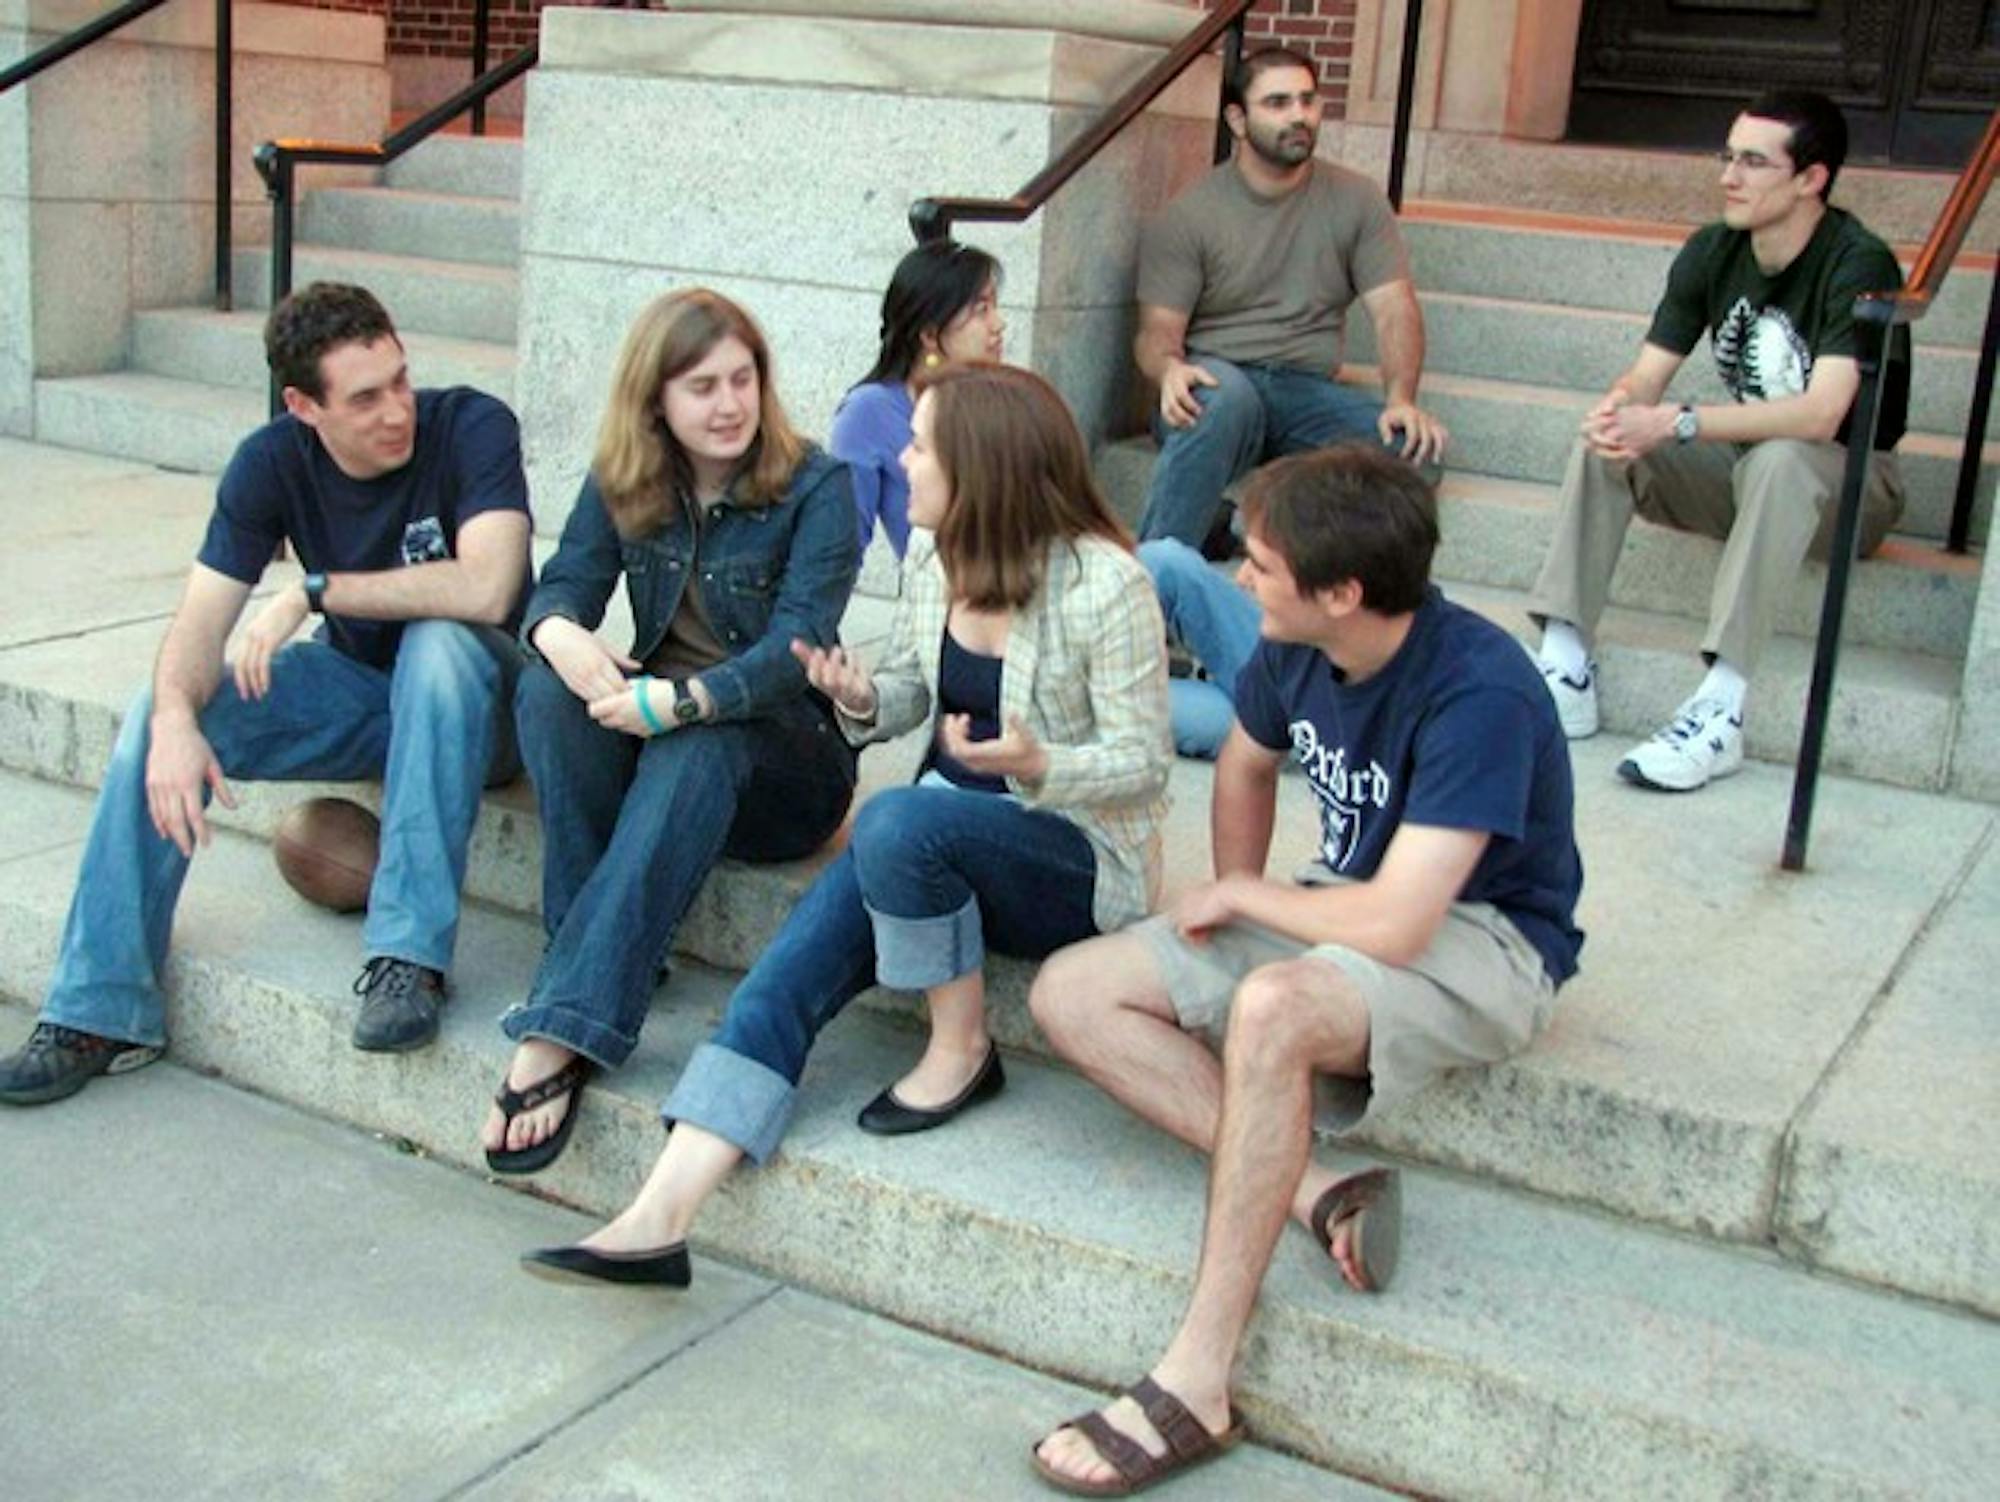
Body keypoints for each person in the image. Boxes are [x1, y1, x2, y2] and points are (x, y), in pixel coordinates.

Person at [512, 363, 1172, 1288]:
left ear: (978, 466)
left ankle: (964, 1047)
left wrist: (1039, 763)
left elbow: (1146, 761)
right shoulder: (937, 559)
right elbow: (907, 687)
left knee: (898, 823)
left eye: (919, 446)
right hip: (930, 838)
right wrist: (860, 697)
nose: (902, 461)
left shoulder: (1106, 585)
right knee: (790, 967)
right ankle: (657, 1216)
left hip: (1068, 850)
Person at [1025, 445, 1582, 1496]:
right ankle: (1315, 1187)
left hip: (1488, 938)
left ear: (1343, 591)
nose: (1241, 576)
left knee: (1274, 1009)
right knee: (1072, 988)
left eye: (1263, 565)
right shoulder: (1295, 644)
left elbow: (1407, 919)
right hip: (1340, 898)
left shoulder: (1481, 689)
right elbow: (1244, 760)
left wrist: (1246, 907)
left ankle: (1196, 1380)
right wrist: (1227, 919)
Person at [0, 282, 533, 1105]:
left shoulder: (471, 424)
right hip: (365, 697)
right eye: (365, 398)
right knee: (162, 712)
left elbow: (491, 588)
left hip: (489, 709)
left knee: (437, 642)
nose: (397, 410)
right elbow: (201, 620)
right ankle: (102, 1009)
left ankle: (407, 962)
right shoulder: (270, 461)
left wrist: (314, 592)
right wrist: (177, 719)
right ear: (302, 406)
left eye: (399, 380)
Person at [480, 288, 859, 1176]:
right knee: (546, 693)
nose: (729, 404)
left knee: (706, 730)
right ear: (656, 400)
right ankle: (595, 960)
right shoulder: (626, 475)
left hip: (786, 767)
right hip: (668, 735)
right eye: (702, 387)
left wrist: (681, 703)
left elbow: (791, 653)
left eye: (743, 380)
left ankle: (563, 1021)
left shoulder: (817, 485)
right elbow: (564, 583)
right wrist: (559, 634)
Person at [1526, 90, 1910, 792]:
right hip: (1745, 473)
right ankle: (1565, 662)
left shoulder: (1858, 263)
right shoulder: (1713, 249)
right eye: (1727, 156)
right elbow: (1646, 376)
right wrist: (1616, 410)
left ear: (1811, 178)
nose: (1729, 176)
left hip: (1852, 488)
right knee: (1610, 439)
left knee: (1784, 459)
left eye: (1754, 162)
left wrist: (1677, 421)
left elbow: (1822, 414)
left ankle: (1721, 709)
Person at [1131, 44, 1447, 758]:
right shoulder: (1194, 213)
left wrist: (1401, 397)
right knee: (1220, 397)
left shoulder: (1355, 199)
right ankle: (1143, 605)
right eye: (1278, 103)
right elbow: (1155, 332)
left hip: (1307, 391)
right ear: (1238, 119)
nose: (1299, 115)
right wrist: (1170, 371)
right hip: (1218, 381)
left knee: (1409, 455)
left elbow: (1394, 308)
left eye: (1307, 99)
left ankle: (1265, 539)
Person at [829, 239, 1005, 564]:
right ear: (929, 335)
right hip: (939, 599)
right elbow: (840, 546)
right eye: (981, 310)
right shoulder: (869, 411)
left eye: (995, 307)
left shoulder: (1002, 401)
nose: (998, 324)